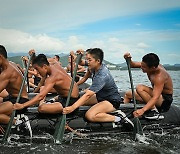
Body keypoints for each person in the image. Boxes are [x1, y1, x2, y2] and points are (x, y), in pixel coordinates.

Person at [63, 48, 134, 127]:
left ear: (98, 61)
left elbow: (88, 95)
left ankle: (119, 118)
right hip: (100, 97)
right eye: (87, 60)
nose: (88, 62)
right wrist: (78, 55)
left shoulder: (102, 75)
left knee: (89, 115)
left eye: (89, 60)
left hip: (111, 101)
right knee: (76, 99)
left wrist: (72, 108)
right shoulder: (94, 65)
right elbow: (81, 62)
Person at [14, 53, 79, 114]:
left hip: (71, 101)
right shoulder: (54, 63)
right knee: (42, 88)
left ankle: (45, 103)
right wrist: (33, 56)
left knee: (41, 108)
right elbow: (42, 60)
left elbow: (41, 96)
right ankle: (52, 100)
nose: (37, 72)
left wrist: (23, 105)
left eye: (37, 69)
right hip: (65, 95)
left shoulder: (52, 77)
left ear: (45, 66)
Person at [123, 52, 173, 119]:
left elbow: (155, 97)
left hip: (164, 101)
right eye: (141, 65)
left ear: (153, 68)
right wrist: (128, 59)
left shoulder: (159, 77)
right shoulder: (148, 65)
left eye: (144, 67)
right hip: (157, 96)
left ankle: (154, 111)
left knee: (140, 88)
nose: (141, 67)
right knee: (128, 94)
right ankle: (123, 115)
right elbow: (132, 65)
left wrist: (142, 110)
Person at [0, 45, 29, 125]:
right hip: (12, 97)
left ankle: (19, 123)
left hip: (19, 101)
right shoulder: (11, 63)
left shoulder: (7, 73)